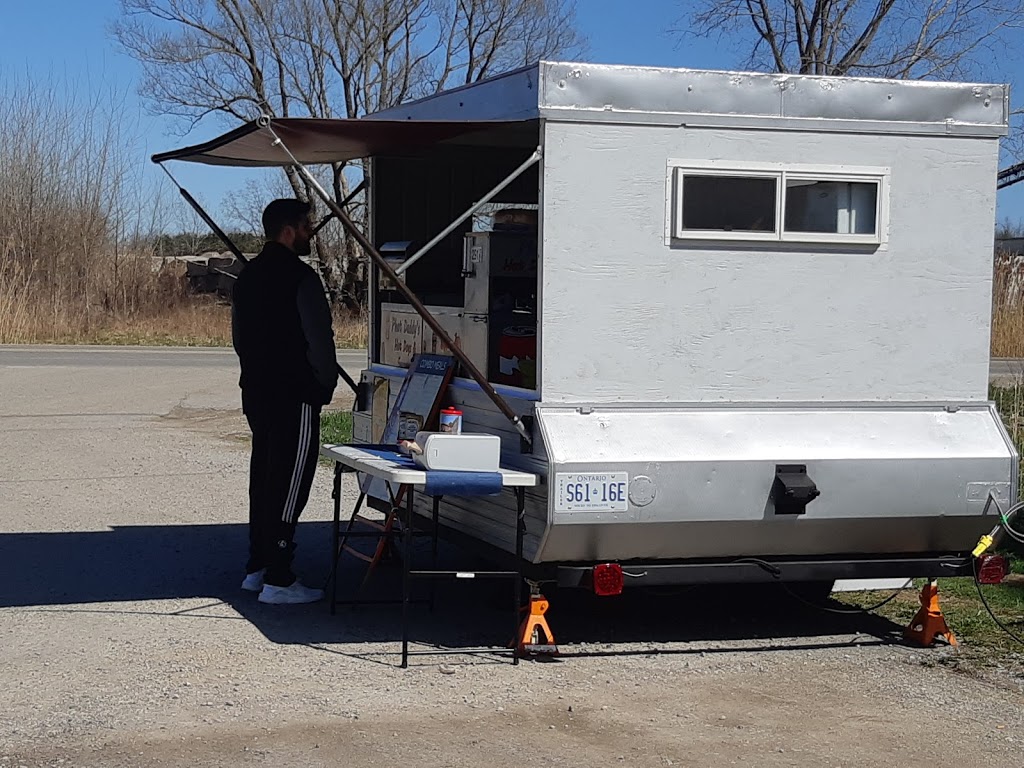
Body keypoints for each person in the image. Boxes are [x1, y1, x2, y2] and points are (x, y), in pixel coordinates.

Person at [231, 198, 339, 604]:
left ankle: (257, 567)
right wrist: (322, 386)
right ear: (289, 231)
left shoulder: (248, 277)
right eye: (308, 226)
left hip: (256, 391)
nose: (312, 232)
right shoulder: (300, 278)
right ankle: (279, 575)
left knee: (264, 476)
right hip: (295, 393)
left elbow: (240, 338)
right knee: (291, 480)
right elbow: (320, 339)